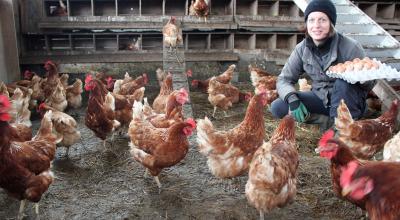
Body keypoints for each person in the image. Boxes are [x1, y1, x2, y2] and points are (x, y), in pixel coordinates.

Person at [270, 0, 375, 131]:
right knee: (278, 107)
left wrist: (364, 78)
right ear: (307, 23)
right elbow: (284, 79)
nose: (316, 25)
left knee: (343, 83)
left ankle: (344, 125)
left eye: (322, 20)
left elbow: (370, 84)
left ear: (331, 23)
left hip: (347, 101)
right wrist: (292, 99)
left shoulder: (350, 47)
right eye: (311, 20)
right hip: (320, 98)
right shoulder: (302, 49)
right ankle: (327, 121)